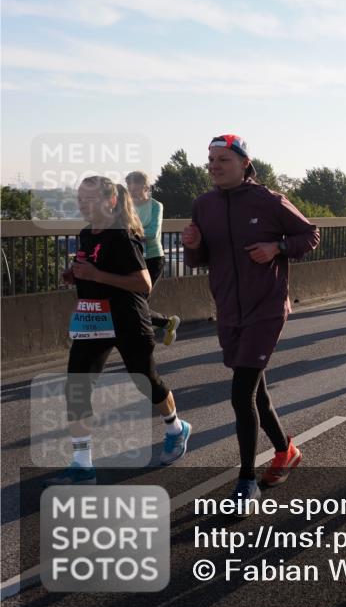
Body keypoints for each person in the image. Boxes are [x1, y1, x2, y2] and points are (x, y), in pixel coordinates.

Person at [182, 134, 319, 508]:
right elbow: (197, 262)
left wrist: (277, 247)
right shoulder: (203, 204)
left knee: (241, 393)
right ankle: (285, 450)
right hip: (228, 309)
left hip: (267, 308)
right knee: (256, 390)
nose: (213, 165)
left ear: (244, 163)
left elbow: (310, 235)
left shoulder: (268, 200)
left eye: (223, 159)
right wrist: (192, 243)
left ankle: (245, 480)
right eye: (210, 159)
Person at [49, 176, 191, 485]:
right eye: (79, 199)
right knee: (77, 385)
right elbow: (92, 269)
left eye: (88, 199)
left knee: (145, 381)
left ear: (110, 201)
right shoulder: (87, 234)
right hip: (94, 320)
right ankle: (82, 465)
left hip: (127, 318)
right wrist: (75, 275)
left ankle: (176, 428)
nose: (81, 205)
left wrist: (97, 274)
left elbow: (143, 283)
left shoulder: (122, 236)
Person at [126, 171, 181, 345]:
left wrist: (130, 233)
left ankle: (143, 341)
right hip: (132, 258)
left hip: (152, 258)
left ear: (146, 187)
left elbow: (152, 233)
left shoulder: (156, 206)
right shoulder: (126, 207)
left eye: (136, 187)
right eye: (129, 187)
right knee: (134, 302)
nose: (132, 191)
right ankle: (167, 322)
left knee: (138, 302)